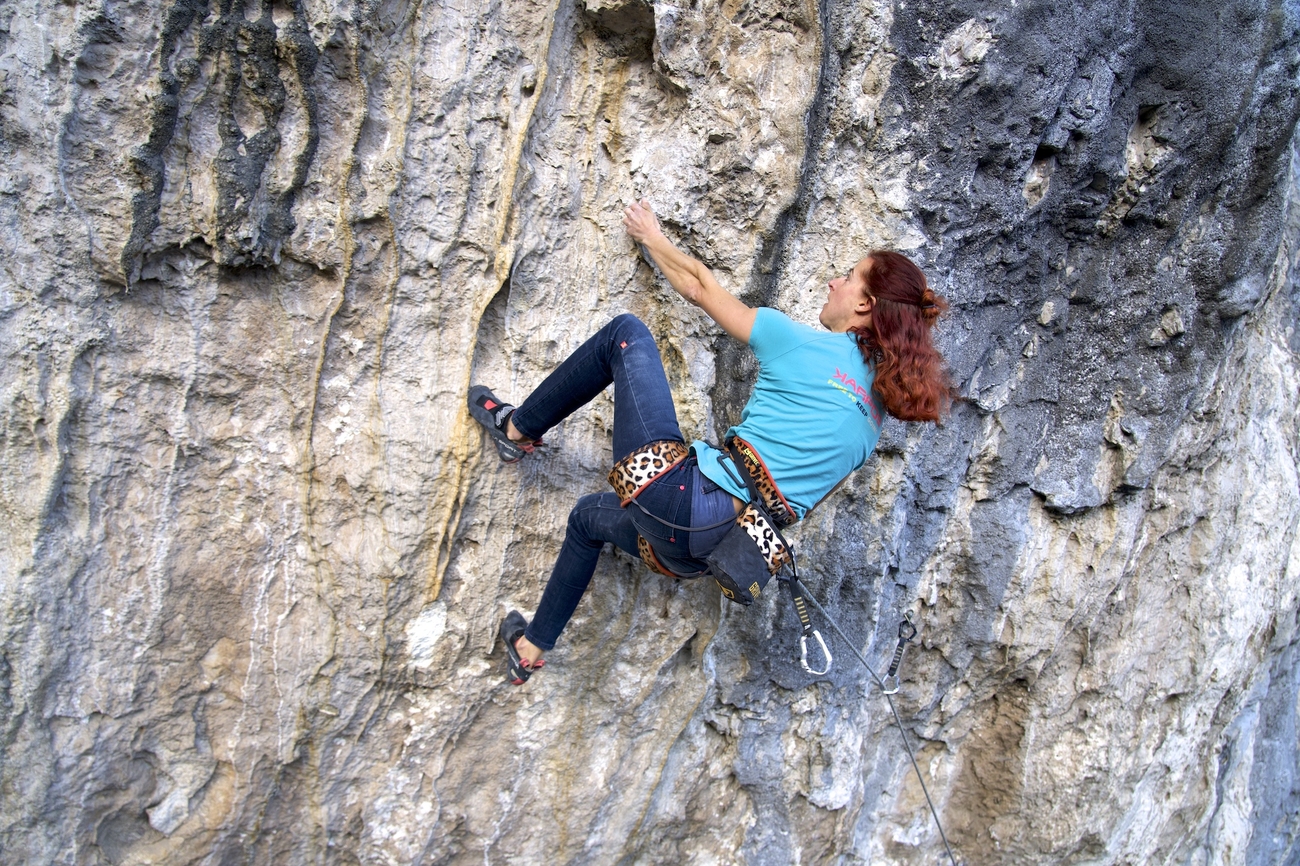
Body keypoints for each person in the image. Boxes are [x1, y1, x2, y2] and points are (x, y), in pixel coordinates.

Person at [469, 200, 952, 685]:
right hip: (706, 555)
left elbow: (700, 287)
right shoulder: (873, 423)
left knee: (625, 334)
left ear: (865, 305)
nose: (834, 283)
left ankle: (516, 428)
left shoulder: (805, 344)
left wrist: (651, 235)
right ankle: (530, 649)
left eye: (849, 277)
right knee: (587, 520)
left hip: (679, 501)